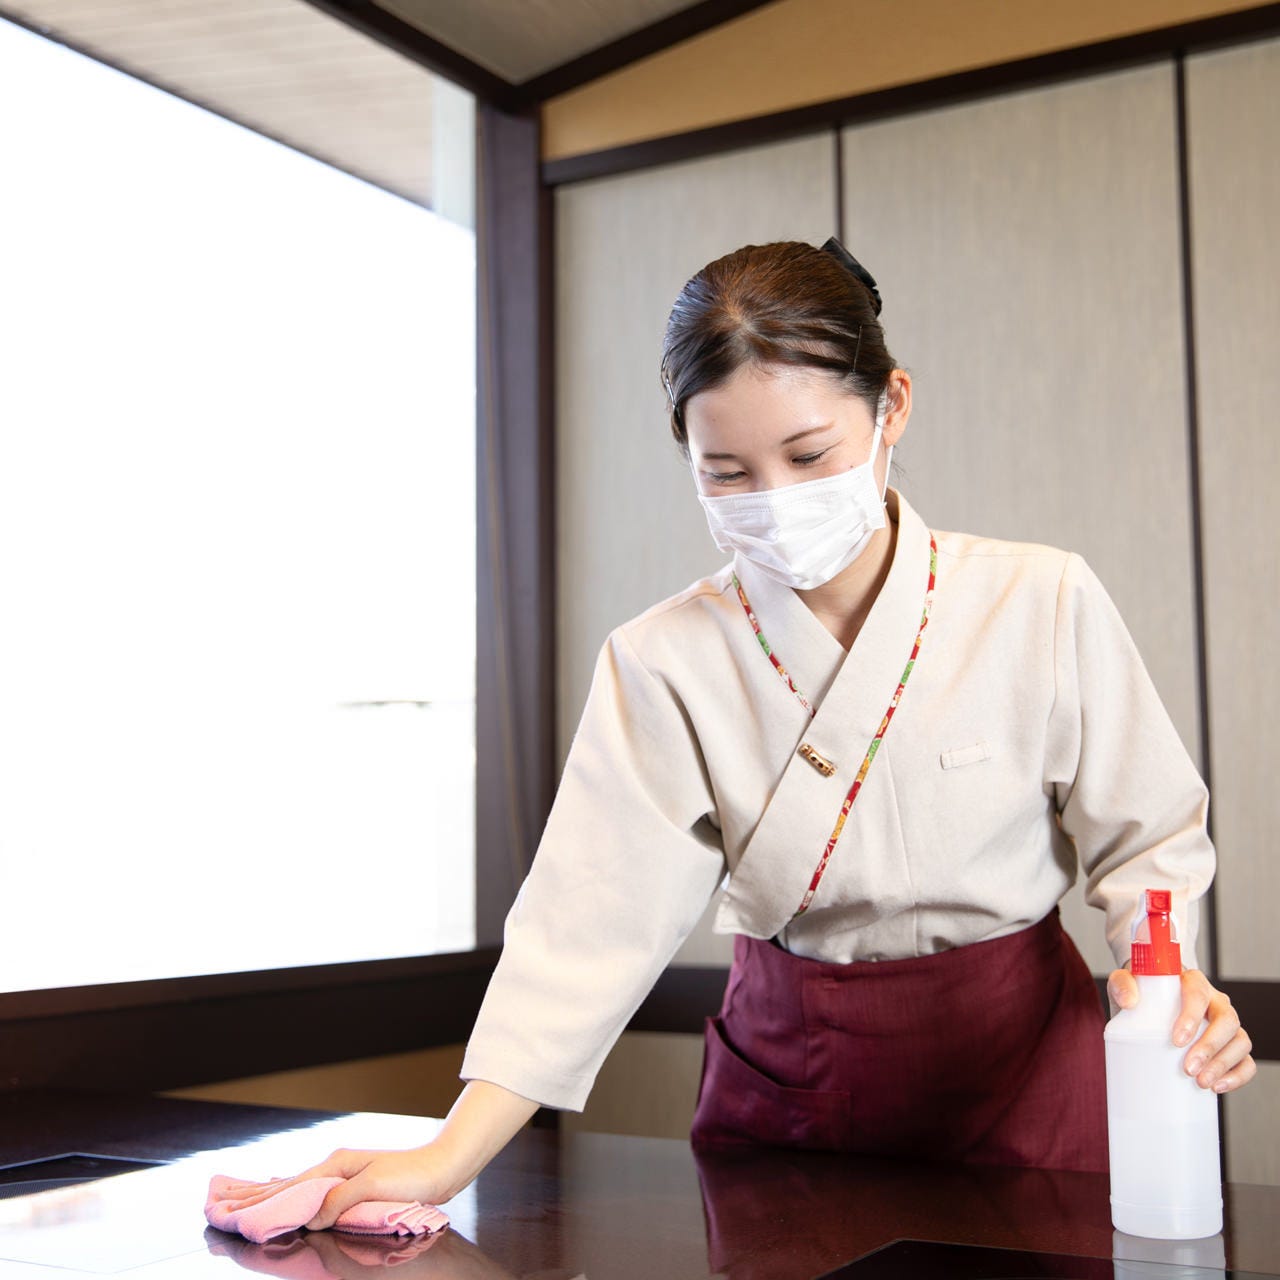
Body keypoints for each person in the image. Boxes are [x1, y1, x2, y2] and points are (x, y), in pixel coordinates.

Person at [228, 237, 1256, 1226]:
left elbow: (1146, 834)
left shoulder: (1036, 599)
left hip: (1023, 1066)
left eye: (809, 455)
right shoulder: (662, 659)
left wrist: (1163, 977)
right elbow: (588, 923)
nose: (775, 500)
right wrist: (446, 1155)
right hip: (792, 1081)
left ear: (891, 405)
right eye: (727, 472)